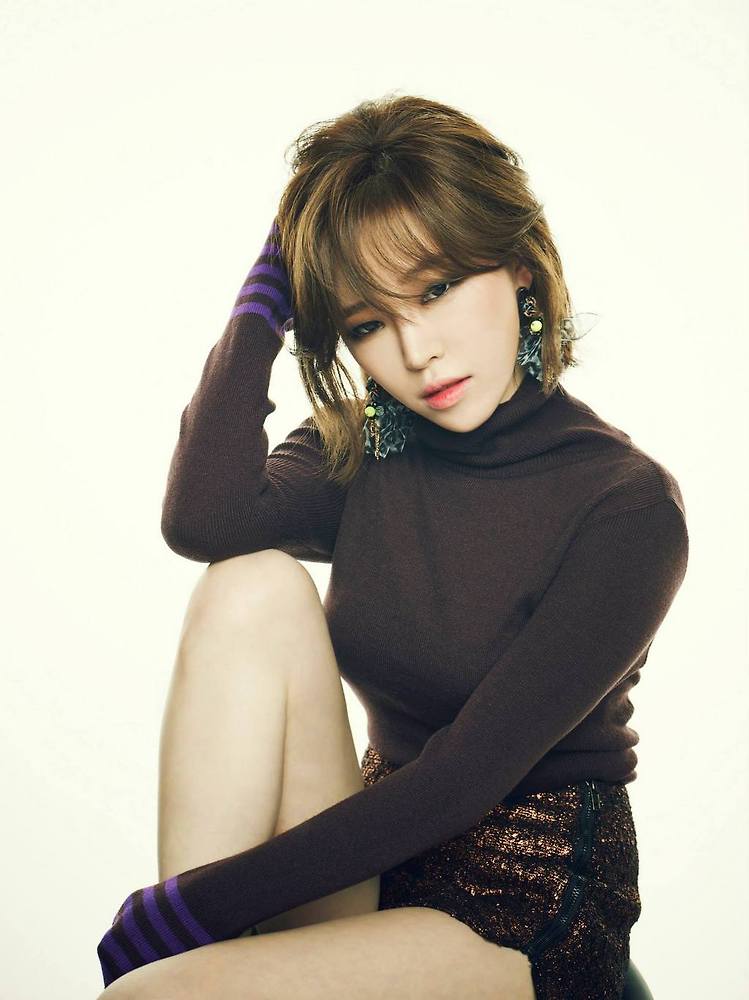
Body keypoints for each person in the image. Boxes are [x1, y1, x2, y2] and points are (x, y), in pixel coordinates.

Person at [96, 93, 689, 1000]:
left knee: (155, 993)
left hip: (523, 905)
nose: (417, 351)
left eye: (436, 288)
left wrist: (193, 909)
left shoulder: (624, 506)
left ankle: (182, 959)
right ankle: (187, 960)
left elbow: (463, 778)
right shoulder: (367, 444)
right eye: (366, 323)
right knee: (248, 583)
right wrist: (262, 303)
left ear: (519, 267)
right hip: (370, 858)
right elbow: (202, 524)